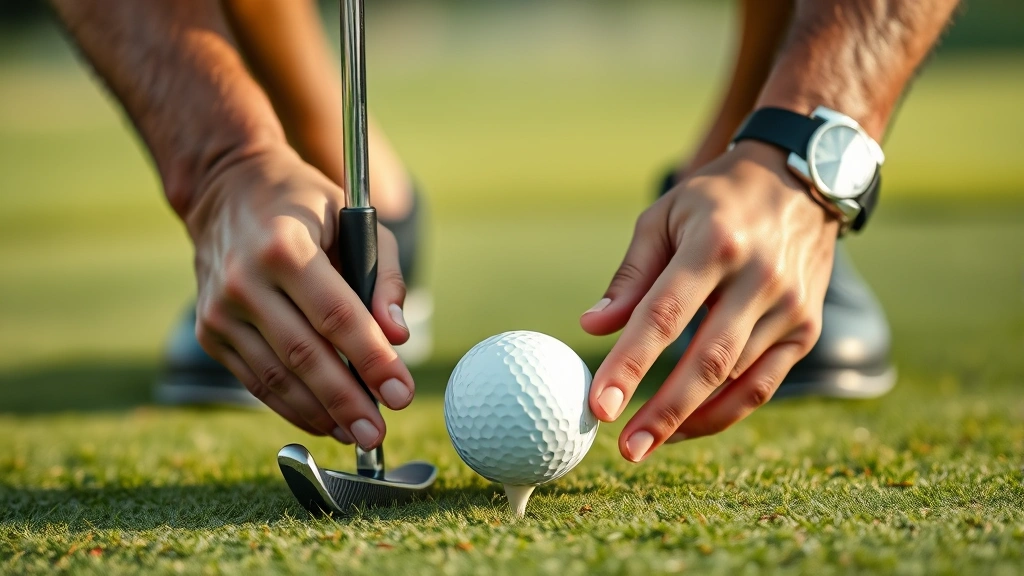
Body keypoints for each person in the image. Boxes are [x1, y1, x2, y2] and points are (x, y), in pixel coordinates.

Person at [50, 0, 960, 463]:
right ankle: (319, 189)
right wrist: (221, 162)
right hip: (269, 145)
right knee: (264, 162)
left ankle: (742, 170)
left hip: (783, 129)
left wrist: (803, 146)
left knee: (770, 153)